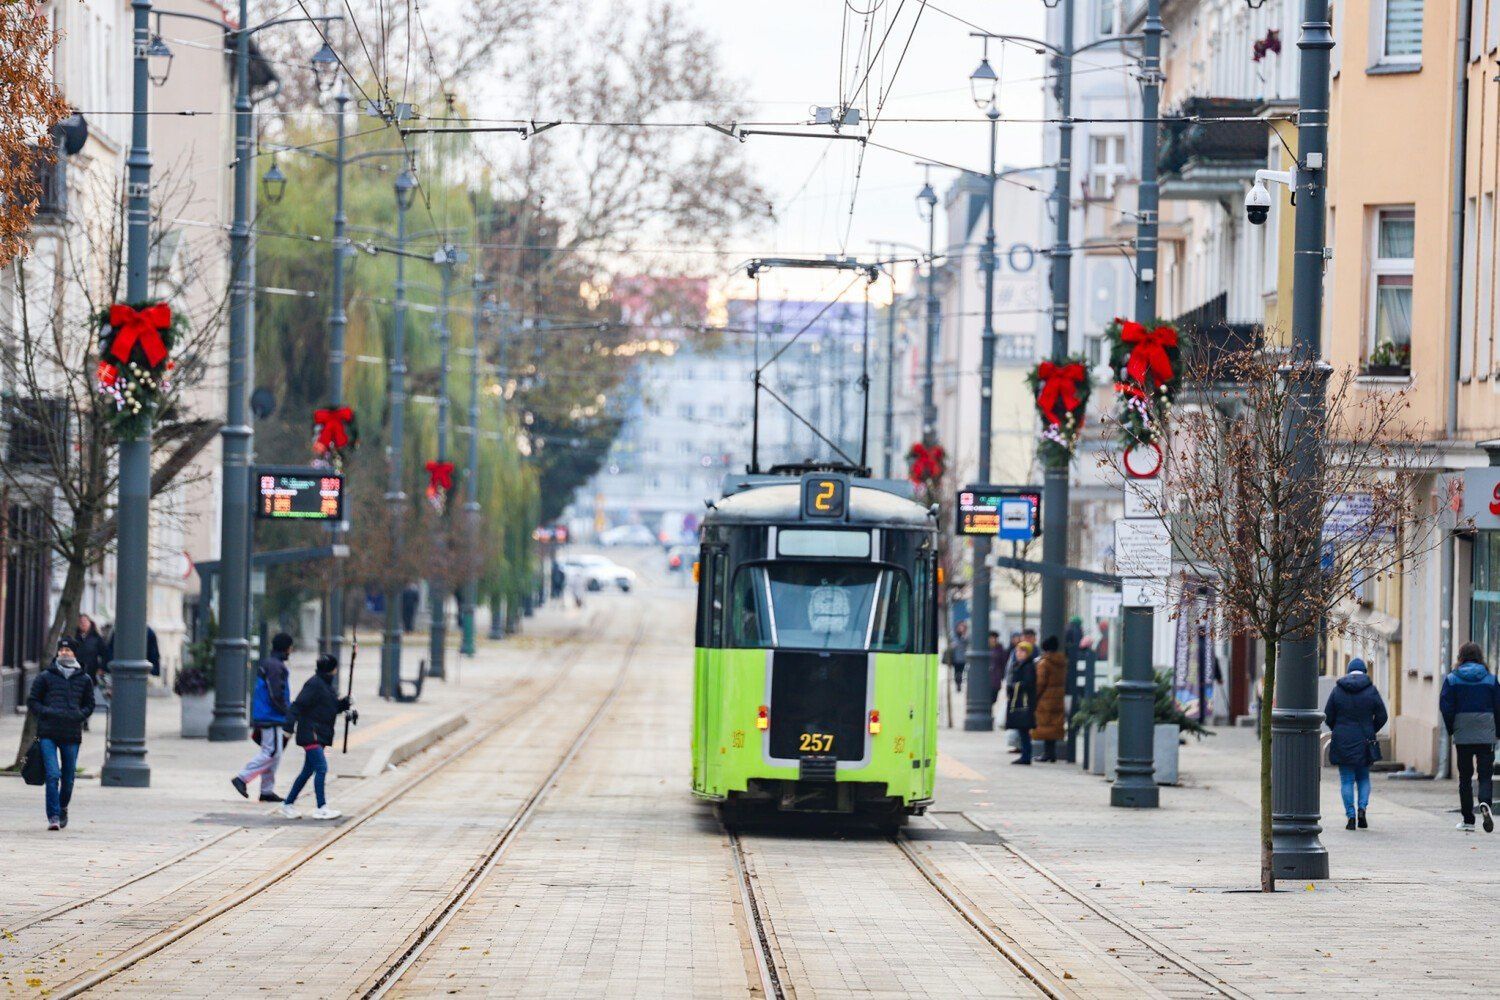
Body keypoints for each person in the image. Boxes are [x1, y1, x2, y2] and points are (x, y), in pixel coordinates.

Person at [26, 637, 95, 830]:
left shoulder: (84, 679)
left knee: (68, 777)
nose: (65, 652)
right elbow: (33, 701)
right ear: (58, 652)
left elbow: (89, 704)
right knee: (52, 774)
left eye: (68, 650)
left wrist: (79, 715)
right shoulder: (45, 676)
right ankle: (54, 816)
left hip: (71, 734)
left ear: (74, 653)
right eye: (62, 650)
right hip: (47, 732)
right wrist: (46, 712)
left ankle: (63, 806)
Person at [278, 653, 350, 821]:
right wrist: (288, 727)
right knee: (321, 767)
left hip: (319, 734)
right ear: (333, 669)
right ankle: (321, 807)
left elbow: (330, 708)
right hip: (311, 734)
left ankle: (287, 804)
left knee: (307, 771)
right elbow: (297, 706)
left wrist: (344, 704)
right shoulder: (314, 684)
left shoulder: (325, 685)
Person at [1439, 642, 1500, 833]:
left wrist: (1452, 728)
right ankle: (1485, 803)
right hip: (1486, 732)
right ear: (1480, 657)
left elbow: (1446, 706)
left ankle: (1468, 820)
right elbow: (1499, 706)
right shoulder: (1491, 679)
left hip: (1463, 732)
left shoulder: (1452, 679)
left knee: (1464, 777)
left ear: (1461, 657)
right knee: (1485, 775)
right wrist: (1497, 731)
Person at [1322, 658, 1388, 830]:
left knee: (1346, 779)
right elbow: (1382, 716)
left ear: (1348, 671)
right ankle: (1362, 809)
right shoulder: (1371, 690)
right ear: (1365, 671)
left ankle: (1350, 816)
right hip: (1364, 740)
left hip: (1342, 740)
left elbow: (1328, 715)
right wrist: (1371, 729)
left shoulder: (1338, 690)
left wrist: (1338, 729)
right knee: (1363, 777)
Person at [232, 632, 293, 803]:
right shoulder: (275, 666)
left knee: (274, 753)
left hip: (269, 715)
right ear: (286, 648)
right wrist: (287, 711)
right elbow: (276, 694)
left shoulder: (271, 663)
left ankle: (266, 791)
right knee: (271, 752)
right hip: (271, 716)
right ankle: (242, 778)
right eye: (290, 647)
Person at [1032, 636, 1068, 763]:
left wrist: (1034, 697)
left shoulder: (1044, 663)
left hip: (1045, 698)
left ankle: (1047, 754)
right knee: (1053, 726)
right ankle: (1051, 753)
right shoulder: (1061, 662)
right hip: (1058, 697)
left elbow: (1040, 683)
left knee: (1046, 725)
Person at [1005, 642, 1037, 765]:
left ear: (1027, 653)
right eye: (1018, 651)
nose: (1019, 654)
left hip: (1024, 702)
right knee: (1022, 730)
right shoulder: (1019, 665)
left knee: (1024, 730)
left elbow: (1028, 683)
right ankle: (1024, 754)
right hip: (1019, 701)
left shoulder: (1028, 666)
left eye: (1022, 651)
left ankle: (1026, 756)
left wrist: (1014, 686)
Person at [72, 614, 108, 686]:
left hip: (92, 672)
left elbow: (105, 654)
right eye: (81, 622)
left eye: (85, 621)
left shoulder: (96, 638)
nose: (83, 624)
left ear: (90, 623)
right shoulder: (74, 638)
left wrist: (101, 668)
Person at [987, 631, 1008, 707]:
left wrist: (1001, 675)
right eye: (991, 638)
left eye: (994, 638)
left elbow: (1004, 663)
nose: (993, 640)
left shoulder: (1000, 649)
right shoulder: (984, 648)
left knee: (993, 699)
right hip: (985, 679)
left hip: (996, 679)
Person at [949, 620, 969, 691]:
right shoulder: (954, 635)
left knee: (961, 672)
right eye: (960, 627)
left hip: (963, 658)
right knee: (957, 672)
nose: (961, 628)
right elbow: (952, 644)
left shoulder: (965, 636)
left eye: (962, 627)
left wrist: (964, 636)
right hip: (955, 658)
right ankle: (958, 684)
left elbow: (967, 643)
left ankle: (959, 684)